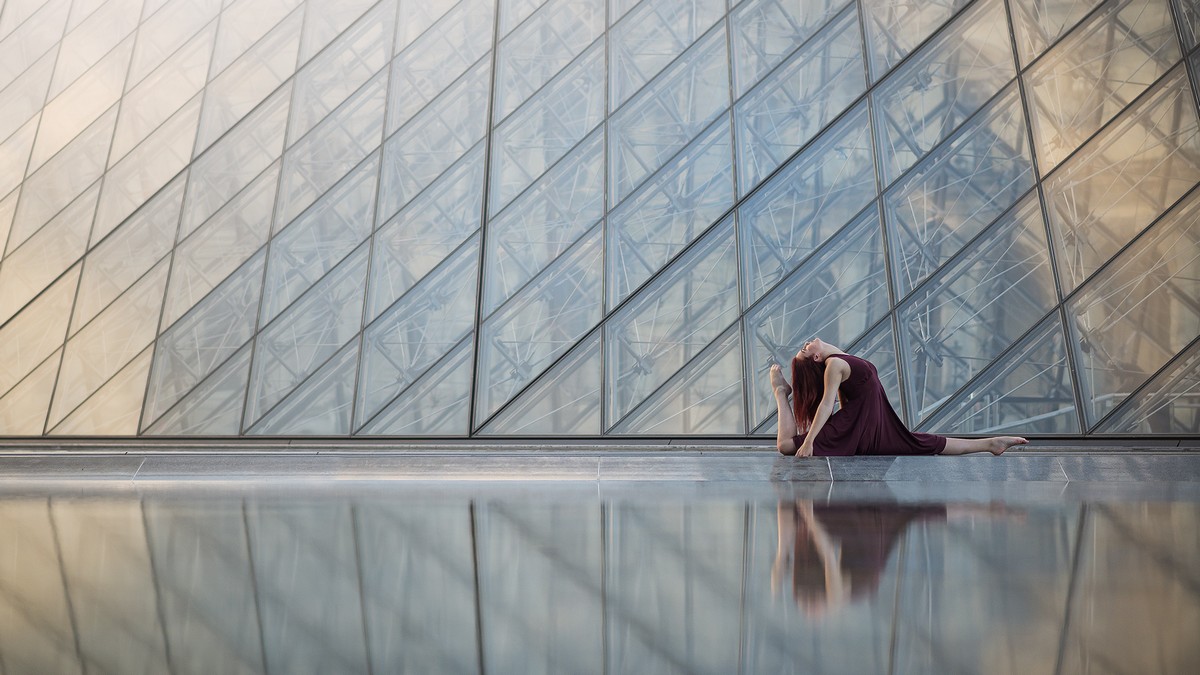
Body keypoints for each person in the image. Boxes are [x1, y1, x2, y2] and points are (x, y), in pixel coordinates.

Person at [769, 338, 1028, 457]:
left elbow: (845, 397)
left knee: (920, 443)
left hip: (868, 424)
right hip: (861, 424)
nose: (806, 343)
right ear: (816, 357)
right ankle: (781, 392)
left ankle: (991, 444)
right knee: (787, 446)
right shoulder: (834, 364)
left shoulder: (841, 359)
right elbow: (828, 403)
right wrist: (810, 442)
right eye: (805, 350)